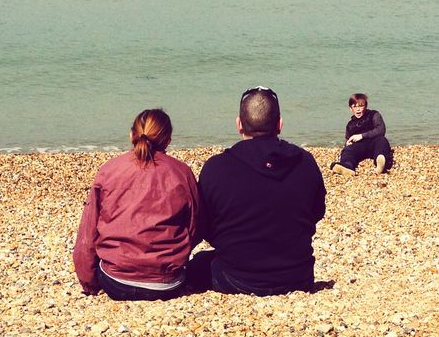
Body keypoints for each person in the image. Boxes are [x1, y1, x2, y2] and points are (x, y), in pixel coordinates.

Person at [189, 86, 326, 296]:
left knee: (198, 264)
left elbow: (204, 225)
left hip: (237, 277)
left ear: (239, 125)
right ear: (279, 124)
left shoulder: (217, 168)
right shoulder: (305, 163)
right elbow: (316, 213)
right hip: (297, 275)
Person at [73, 108, 201, 301]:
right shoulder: (181, 173)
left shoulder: (110, 170)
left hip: (116, 282)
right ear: (168, 140)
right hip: (167, 283)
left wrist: (89, 282)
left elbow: (88, 233)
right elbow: (195, 227)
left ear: (131, 134)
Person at [330, 93, 394, 175]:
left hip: (374, 143)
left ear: (366, 106)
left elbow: (381, 130)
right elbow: (347, 139)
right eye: (355, 106)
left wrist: (361, 136)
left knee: (382, 141)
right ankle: (347, 167)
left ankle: (380, 164)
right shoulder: (350, 125)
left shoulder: (374, 114)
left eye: (361, 106)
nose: (358, 109)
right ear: (350, 108)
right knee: (348, 150)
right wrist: (347, 143)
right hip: (359, 147)